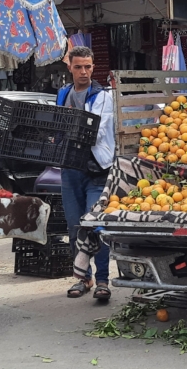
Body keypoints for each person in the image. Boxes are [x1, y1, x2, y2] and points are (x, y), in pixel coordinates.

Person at [58, 46, 114, 302]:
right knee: (74, 227)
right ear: (70, 67)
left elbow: (98, 132)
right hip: (70, 169)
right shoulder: (63, 94)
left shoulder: (102, 96)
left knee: (96, 226)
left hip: (97, 168)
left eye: (88, 67)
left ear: (93, 67)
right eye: (78, 66)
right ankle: (83, 278)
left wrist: (70, 125)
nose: (83, 72)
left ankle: (103, 280)